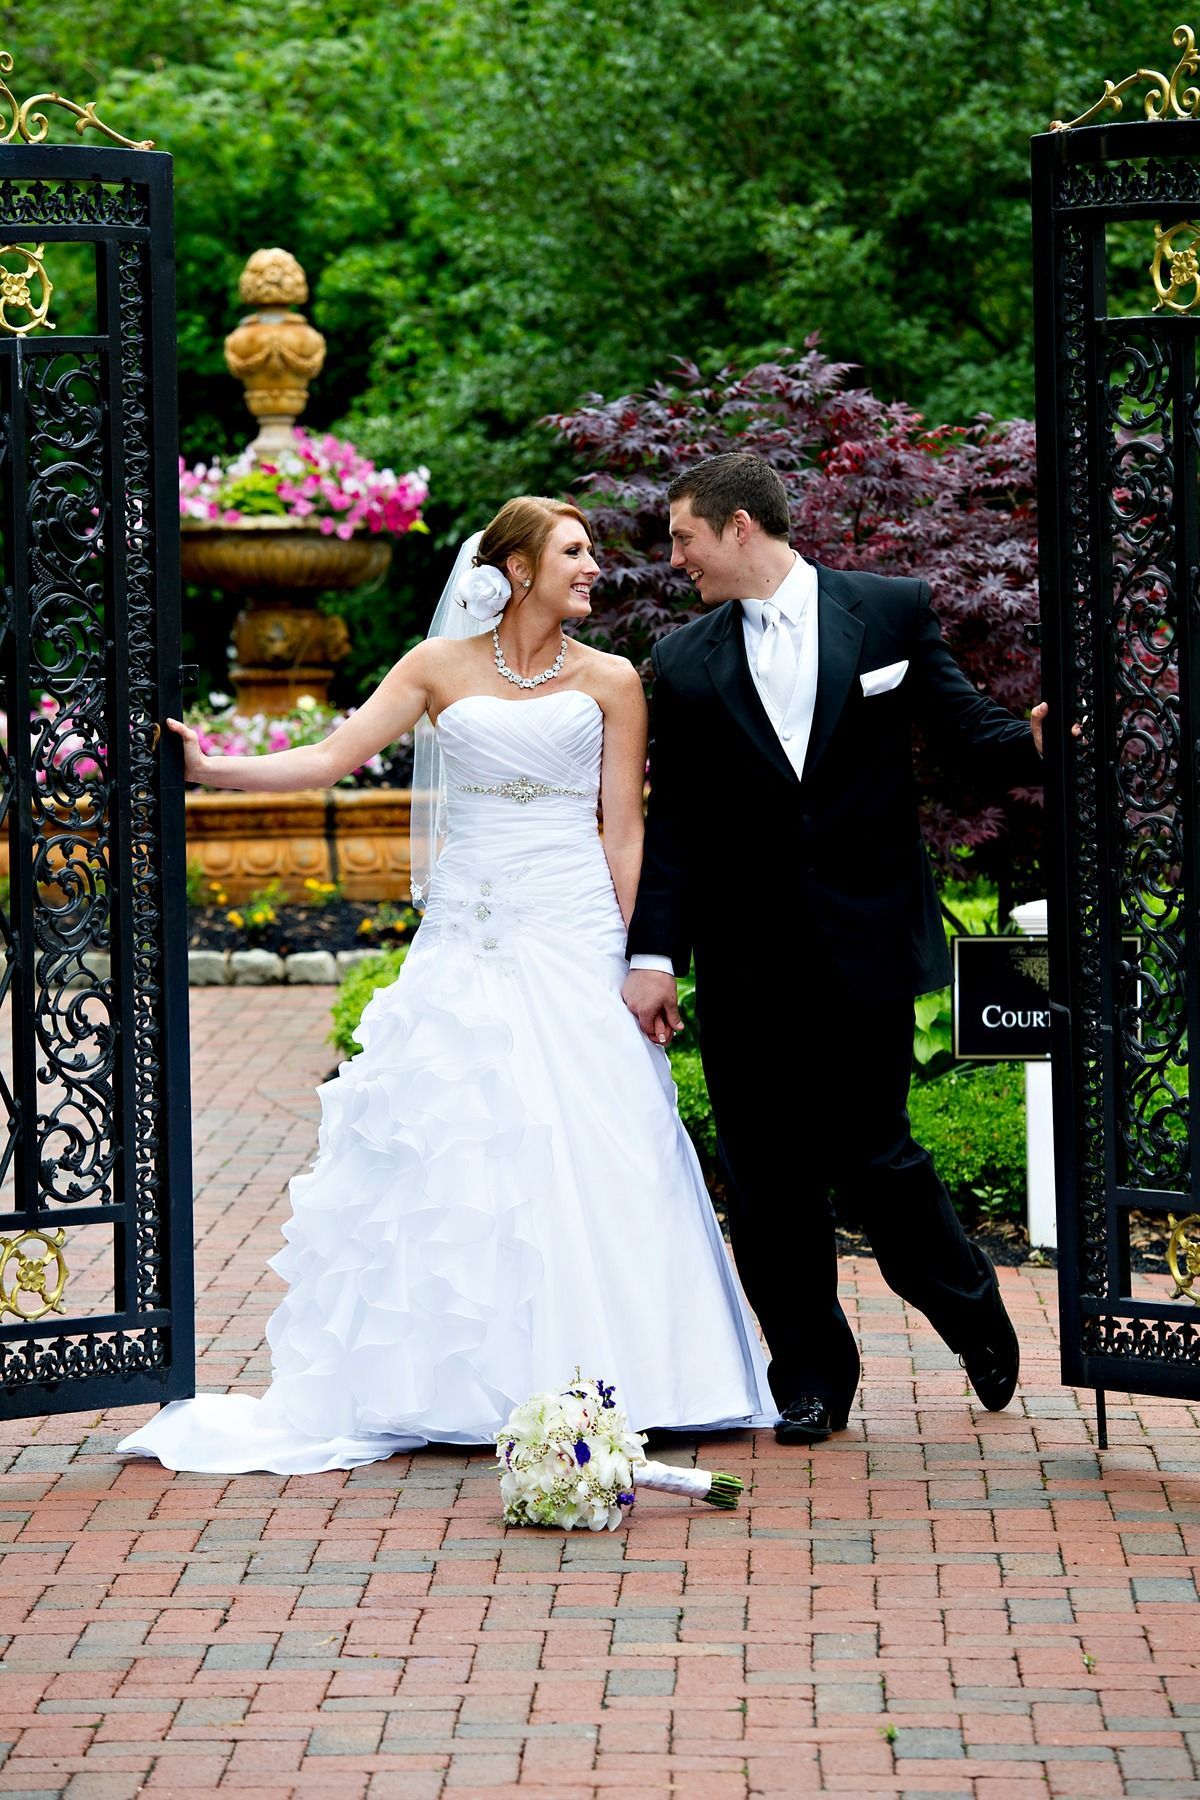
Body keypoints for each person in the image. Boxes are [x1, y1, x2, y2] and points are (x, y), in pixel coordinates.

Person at [117, 496, 775, 1475]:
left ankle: (644, 1374)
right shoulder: (435, 669)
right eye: (574, 551)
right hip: (466, 938)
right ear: (517, 569)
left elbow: (623, 829)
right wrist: (211, 768)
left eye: (591, 551)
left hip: (576, 931)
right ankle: (450, 1382)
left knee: (603, 1138)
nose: (595, 567)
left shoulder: (614, 681)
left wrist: (648, 958)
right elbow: (334, 758)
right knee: (454, 1141)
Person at [621, 452, 1046, 1447]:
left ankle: (967, 1301)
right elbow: (674, 823)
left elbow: (968, 731)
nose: (673, 555)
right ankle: (810, 1374)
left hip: (865, 930)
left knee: (872, 1153)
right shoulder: (682, 662)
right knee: (763, 1173)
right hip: (745, 952)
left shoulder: (889, 611)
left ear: (736, 528)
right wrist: (654, 955)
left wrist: (1035, 741)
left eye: (684, 535)